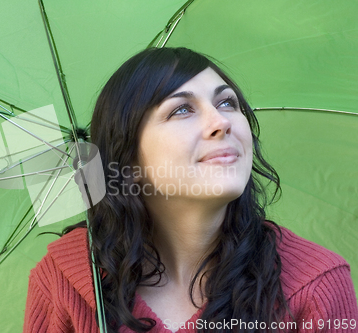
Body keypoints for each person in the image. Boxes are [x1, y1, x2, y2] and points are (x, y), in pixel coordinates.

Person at [24, 47, 358, 332]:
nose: (221, 122)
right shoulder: (64, 280)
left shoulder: (314, 286)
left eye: (227, 103)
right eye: (181, 109)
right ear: (127, 159)